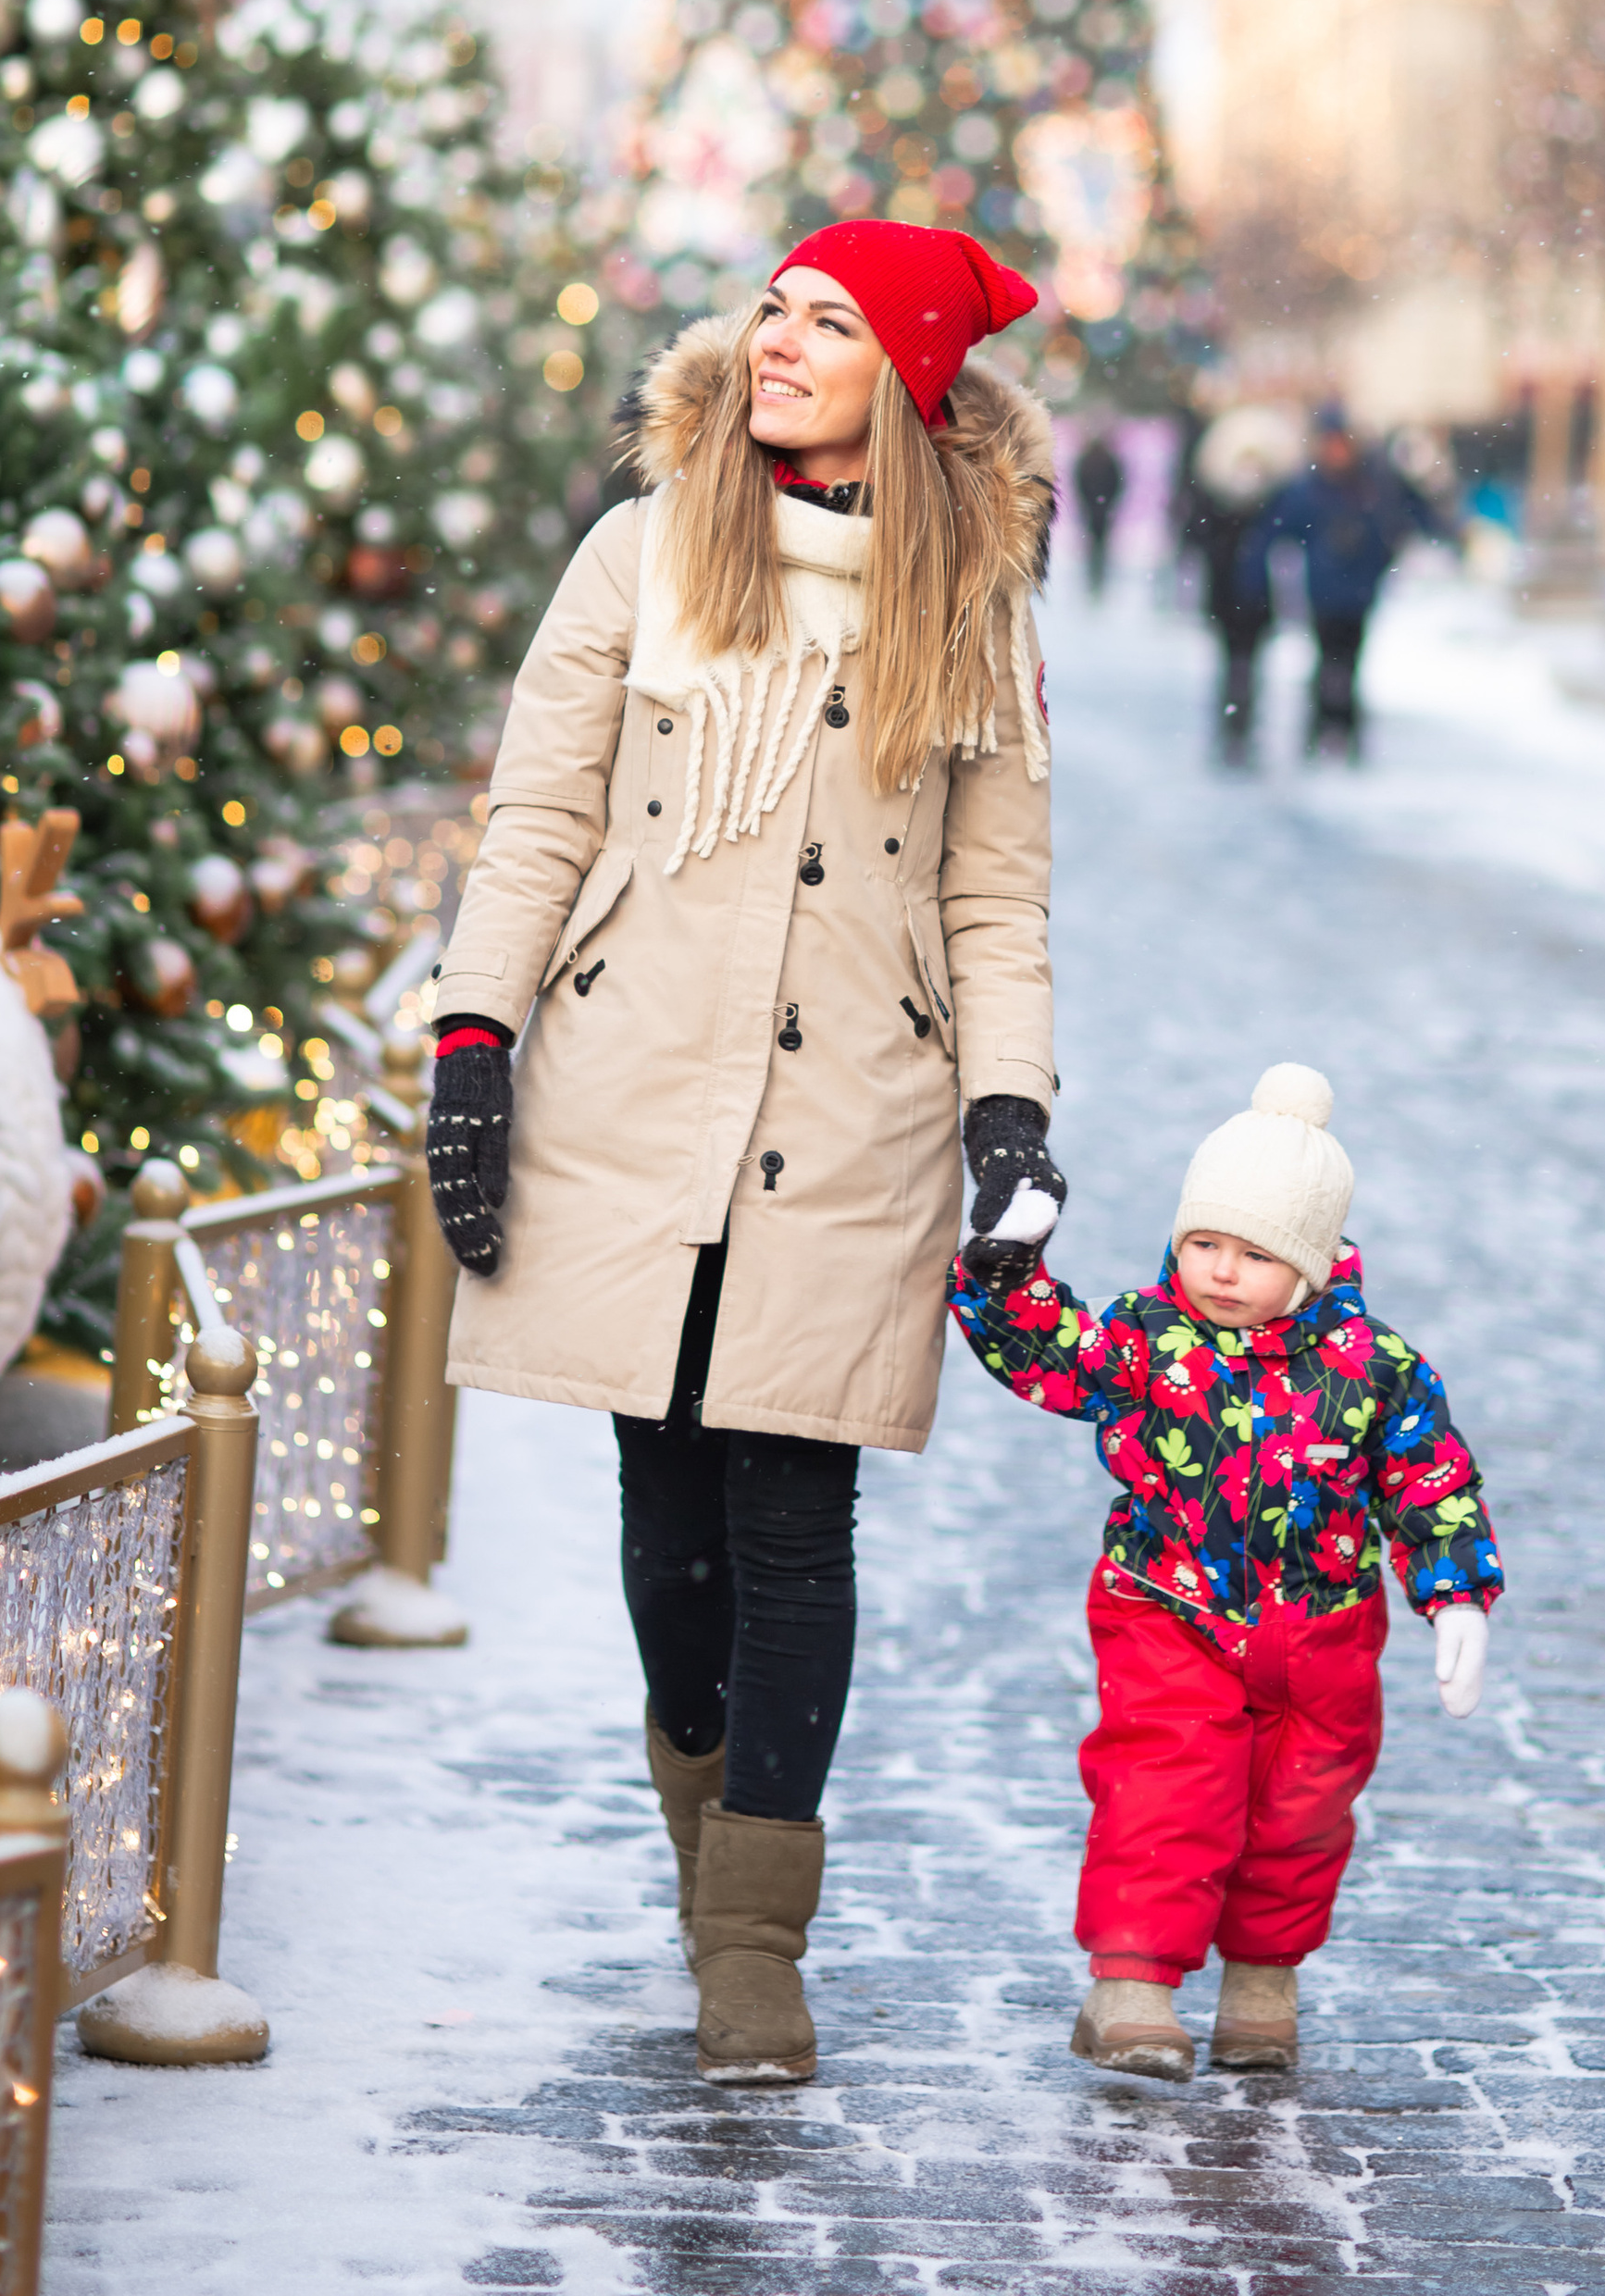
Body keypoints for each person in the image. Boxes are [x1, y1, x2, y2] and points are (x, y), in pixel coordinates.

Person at [423, 218, 1063, 2089]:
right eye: (772, 309)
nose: (774, 342)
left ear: (907, 374)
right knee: (668, 1531)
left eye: (827, 322)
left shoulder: (977, 614)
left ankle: (750, 1943)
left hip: (853, 1117)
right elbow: (535, 816)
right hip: (634, 1099)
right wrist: (476, 1040)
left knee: (794, 1523)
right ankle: (704, 1809)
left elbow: (997, 897)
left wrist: (1008, 1116)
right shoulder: (643, 551)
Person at [951, 1063, 1499, 2082]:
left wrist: (1455, 1594)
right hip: (1169, 1608)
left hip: (1324, 1634)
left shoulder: (1374, 1366)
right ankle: (1133, 1985)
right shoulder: (1144, 1339)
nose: (1220, 1271)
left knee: (1302, 1810)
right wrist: (1004, 1273)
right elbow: (1048, 1351)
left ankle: (1262, 1980)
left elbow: (1428, 1479)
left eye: (1253, 1253)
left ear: (1311, 1261)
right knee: (1166, 1790)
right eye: (1204, 1242)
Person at [1250, 404, 1454, 762]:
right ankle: (1321, 731)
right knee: (1326, 663)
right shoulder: (1308, 488)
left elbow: (1410, 517)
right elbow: (1278, 530)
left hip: (1359, 592)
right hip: (1322, 592)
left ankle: (1345, 733)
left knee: (1350, 663)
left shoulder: (1374, 486)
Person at [1180, 406, 1300, 764]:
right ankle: (1233, 727)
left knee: (1249, 666)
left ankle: (1241, 726)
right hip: (1227, 599)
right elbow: (1197, 540)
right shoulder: (1217, 502)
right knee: (1232, 666)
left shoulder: (1272, 504)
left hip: (1257, 602)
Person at [1071, 428, 1127, 600]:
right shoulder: (1105, 460)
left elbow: (1080, 483)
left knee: (1095, 545)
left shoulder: (1089, 460)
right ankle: (1096, 576)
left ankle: (1096, 576)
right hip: (1099, 509)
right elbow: (1117, 484)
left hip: (1096, 509)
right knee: (1098, 545)